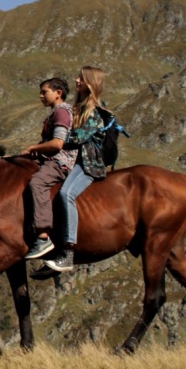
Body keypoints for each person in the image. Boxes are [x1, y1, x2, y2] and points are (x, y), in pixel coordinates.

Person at [40, 66, 109, 273]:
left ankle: (68, 251)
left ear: (90, 83)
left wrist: (55, 141)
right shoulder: (78, 107)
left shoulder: (95, 111)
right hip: (75, 160)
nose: (76, 80)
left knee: (66, 193)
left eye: (81, 78)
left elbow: (79, 137)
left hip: (88, 163)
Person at [22, 77, 76, 260]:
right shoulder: (56, 112)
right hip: (53, 158)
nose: (41, 96)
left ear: (58, 93)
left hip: (62, 161)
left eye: (45, 92)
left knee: (37, 183)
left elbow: (57, 143)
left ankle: (43, 235)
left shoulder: (61, 112)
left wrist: (33, 148)